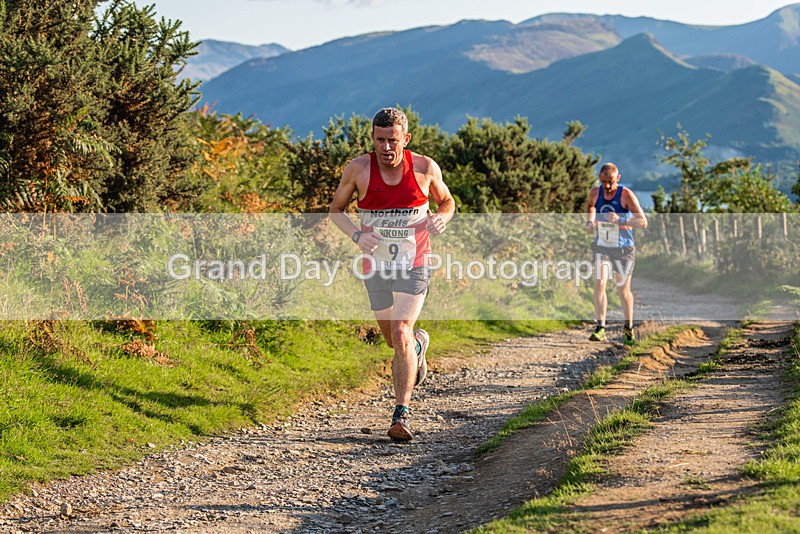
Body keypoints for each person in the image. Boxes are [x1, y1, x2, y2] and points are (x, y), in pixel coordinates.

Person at [329, 107, 455, 441]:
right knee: (393, 340)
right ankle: (417, 346)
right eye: (380, 139)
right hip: (376, 266)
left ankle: (402, 414)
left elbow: (447, 202)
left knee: (400, 330)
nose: (386, 147)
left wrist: (442, 218)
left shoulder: (425, 168)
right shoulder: (358, 169)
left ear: (406, 139)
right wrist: (357, 235)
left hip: (416, 262)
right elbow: (335, 210)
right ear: (373, 138)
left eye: (393, 140)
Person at [584, 163, 647, 345]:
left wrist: (621, 220)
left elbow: (643, 221)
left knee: (622, 290)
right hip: (602, 246)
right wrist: (590, 222)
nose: (608, 187)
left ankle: (628, 328)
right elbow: (591, 206)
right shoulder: (595, 192)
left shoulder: (626, 194)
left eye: (611, 182)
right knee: (599, 282)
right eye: (604, 182)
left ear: (618, 178)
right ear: (599, 179)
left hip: (624, 249)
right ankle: (601, 327)